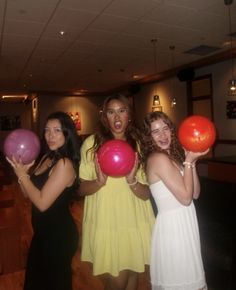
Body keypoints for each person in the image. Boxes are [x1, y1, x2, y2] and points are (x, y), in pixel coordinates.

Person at [79, 94, 155, 290]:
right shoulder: (91, 145)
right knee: (117, 280)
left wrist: (132, 182)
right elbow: (81, 188)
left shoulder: (140, 145)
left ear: (129, 114)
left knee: (132, 275)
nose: (117, 117)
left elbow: (147, 194)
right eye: (111, 112)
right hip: (108, 220)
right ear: (105, 116)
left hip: (135, 220)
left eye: (122, 110)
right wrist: (98, 181)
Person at [7, 111, 81, 290]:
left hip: (58, 236)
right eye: (47, 130)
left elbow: (41, 203)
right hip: (43, 234)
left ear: (67, 134)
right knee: (36, 281)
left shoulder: (65, 164)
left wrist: (23, 176)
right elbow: (28, 194)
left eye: (57, 130)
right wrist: (22, 175)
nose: (50, 135)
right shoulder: (48, 157)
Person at [140, 111, 208, 290]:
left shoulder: (173, 157)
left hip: (185, 225)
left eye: (165, 128)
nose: (162, 135)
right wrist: (188, 162)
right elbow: (185, 198)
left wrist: (191, 163)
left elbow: (195, 194)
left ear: (172, 130)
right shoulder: (158, 158)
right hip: (173, 231)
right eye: (155, 131)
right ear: (149, 137)